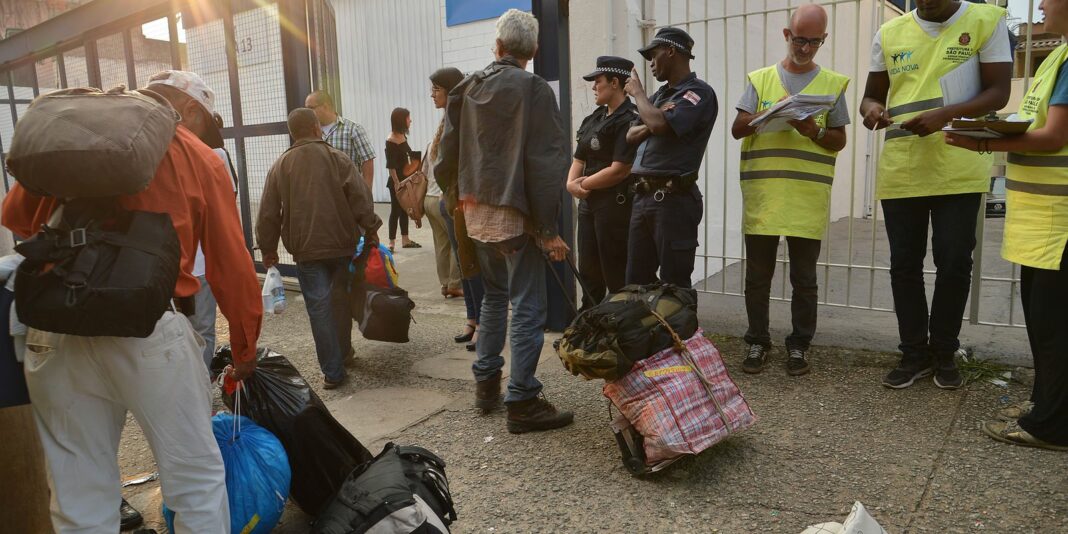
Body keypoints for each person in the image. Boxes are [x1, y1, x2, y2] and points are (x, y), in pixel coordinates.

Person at [1, 75, 263, 532]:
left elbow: (17, 218)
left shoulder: (67, 142)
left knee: (79, 495)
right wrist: (243, 349)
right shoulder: (193, 153)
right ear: (183, 108)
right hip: (151, 329)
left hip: (56, 325)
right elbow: (230, 265)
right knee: (196, 483)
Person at [860, 0, 1011, 389]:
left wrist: (944, 115)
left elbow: (998, 92)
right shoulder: (889, 33)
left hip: (958, 163)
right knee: (904, 265)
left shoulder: (985, 21)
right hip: (903, 166)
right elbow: (871, 96)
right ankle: (913, 353)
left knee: (955, 261)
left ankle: (944, 351)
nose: (926, 2)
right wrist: (873, 109)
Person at [435, 8, 574, 433]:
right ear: (532, 50)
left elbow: (445, 157)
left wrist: (458, 199)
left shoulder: (466, 87)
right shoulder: (533, 88)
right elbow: (548, 162)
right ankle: (523, 400)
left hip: (475, 216)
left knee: (495, 299)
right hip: (517, 219)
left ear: (497, 46)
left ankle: (486, 388)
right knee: (528, 305)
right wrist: (548, 229)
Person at [944, 0, 1068, 451]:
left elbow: (1055, 136)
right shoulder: (1058, 55)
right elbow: (1037, 122)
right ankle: (1046, 406)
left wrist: (981, 141)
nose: (1042, 5)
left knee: (1055, 327)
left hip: (1061, 224)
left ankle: (1052, 426)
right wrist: (995, 129)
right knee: (1044, 323)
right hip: (1045, 221)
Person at [731, 4, 850, 376]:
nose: (805, 48)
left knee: (805, 279)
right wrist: (766, 116)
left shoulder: (833, 84)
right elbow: (737, 128)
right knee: (757, 276)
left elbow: (838, 140)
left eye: (814, 42)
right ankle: (757, 342)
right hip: (765, 194)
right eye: (800, 39)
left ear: (823, 40)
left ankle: (799, 346)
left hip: (805, 197)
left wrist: (811, 129)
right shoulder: (761, 78)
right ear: (787, 35)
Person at [256, 108, 382, 390]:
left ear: (292, 132)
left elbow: (268, 212)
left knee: (319, 308)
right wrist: (371, 228)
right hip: (341, 245)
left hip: (306, 250)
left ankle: (333, 372)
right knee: (340, 301)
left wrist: (268, 248)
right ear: (316, 128)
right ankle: (345, 353)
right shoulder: (337, 158)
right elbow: (360, 197)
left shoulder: (281, 164)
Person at [146, 70, 237, 370]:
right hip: (193, 269)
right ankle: (198, 400)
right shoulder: (209, 157)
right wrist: (244, 345)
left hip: (132, 274)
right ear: (191, 110)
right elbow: (226, 236)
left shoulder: (128, 146)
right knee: (201, 332)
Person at [623, 26, 719, 289]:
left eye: (653, 56)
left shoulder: (698, 93)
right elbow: (630, 136)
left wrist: (640, 96)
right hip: (643, 198)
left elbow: (660, 126)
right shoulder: (660, 97)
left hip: (673, 200)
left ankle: (681, 332)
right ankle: (647, 331)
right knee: (636, 282)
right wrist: (654, 117)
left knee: (674, 284)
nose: (651, 64)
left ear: (671, 51)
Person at [567, 56, 640, 309]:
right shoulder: (595, 118)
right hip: (589, 205)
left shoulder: (629, 118)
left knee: (615, 272)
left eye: (597, 81)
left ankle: (618, 329)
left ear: (615, 83)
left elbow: (620, 170)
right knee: (588, 271)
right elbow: (579, 157)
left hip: (615, 207)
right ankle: (588, 327)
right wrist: (570, 183)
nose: (593, 87)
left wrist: (582, 185)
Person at [427, 67, 486, 352]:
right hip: (449, 201)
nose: (432, 94)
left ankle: (482, 324)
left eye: (436, 89)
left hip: (462, 201)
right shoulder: (446, 120)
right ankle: (472, 319)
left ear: (451, 90)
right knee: (463, 265)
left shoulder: (462, 118)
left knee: (472, 263)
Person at [423, 81, 463, 300]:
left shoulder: (432, 142)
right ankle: (456, 284)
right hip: (442, 197)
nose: (432, 95)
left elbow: (425, 171)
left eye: (435, 90)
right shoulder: (450, 140)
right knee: (456, 243)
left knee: (441, 244)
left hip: (428, 200)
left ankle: (445, 284)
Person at [306, 90, 376, 191]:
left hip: (348, 194)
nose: (307, 112)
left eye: (310, 108)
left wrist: (367, 192)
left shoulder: (352, 129)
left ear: (325, 106)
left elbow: (368, 160)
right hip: (321, 196)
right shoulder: (310, 133)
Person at [384, 107, 422, 252]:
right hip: (397, 181)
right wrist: (396, 183)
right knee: (395, 210)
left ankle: (405, 240)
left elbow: (406, 157)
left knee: (405, 209)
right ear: (401, 120)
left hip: (406, 180)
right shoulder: (391, 140)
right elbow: (391, 165)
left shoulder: (402, 137)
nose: (410, 120)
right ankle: (391, 242)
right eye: (408, 118)